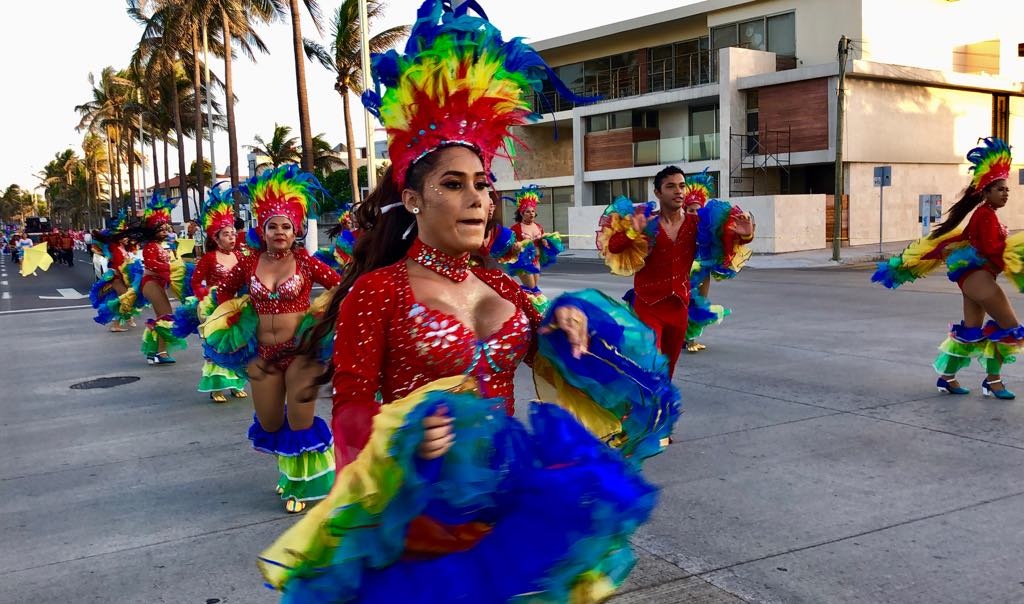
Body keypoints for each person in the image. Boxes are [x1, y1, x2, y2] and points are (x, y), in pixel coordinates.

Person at [256, 2, 679, 600]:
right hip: (421, 515)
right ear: (412, 199)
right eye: (453, 185)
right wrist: (401, 438)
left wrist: (567, 323)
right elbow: (350, 406)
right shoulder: (378, 292)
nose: (477, 199)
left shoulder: (507, 287)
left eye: (482, 184)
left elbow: (549, 357)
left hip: (508, 501)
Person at [202, 164, 342, 513]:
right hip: (262, 353)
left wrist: (324, 315)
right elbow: (224, 292)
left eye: (286, 226)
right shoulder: (249, 264)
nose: (280, 232)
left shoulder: (307, 262)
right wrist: (231, 317)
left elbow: (340, 286)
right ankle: (288, 470)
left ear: (295, 230)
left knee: (300, 420)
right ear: (261, 230)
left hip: (302, 351)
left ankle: (302, 486)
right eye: (272, 226)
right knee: (270, 421)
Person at [873, 137, 1024, 399]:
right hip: (979, 279)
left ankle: (947, 378)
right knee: (1010, 327)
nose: (1005, 193)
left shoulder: (986, 214)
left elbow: (975, 243)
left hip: (975, 278)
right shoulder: (985, 215)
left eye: (1007, 190)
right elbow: (991, 250)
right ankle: (993, 381)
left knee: (971, 330)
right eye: (999, 189)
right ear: (986, 192)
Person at [597, 166, 754, 376]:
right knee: (649, 367)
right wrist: (633, 231)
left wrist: (745, 236)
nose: (678, 191)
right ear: (658, 193)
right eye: (671, 186)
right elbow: (614, 246)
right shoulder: (646, 222)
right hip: (648, 305)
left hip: (679, 308)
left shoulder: (697, 223)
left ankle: (657, 408)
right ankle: (637, 407)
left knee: (667, 373)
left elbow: (724, 244)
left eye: (681, 186)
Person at [189, 187, 247, 403]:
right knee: (218, 347)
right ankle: (216, 386)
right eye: (226, 234)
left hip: (236, 307)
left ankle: (236, 383)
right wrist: (206, 298)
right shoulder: (209, 258)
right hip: (215, 308)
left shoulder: (241, 256)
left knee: (238, 345)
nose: (232, 237)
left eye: (233, 233)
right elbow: (195, 282)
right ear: (216, 238)